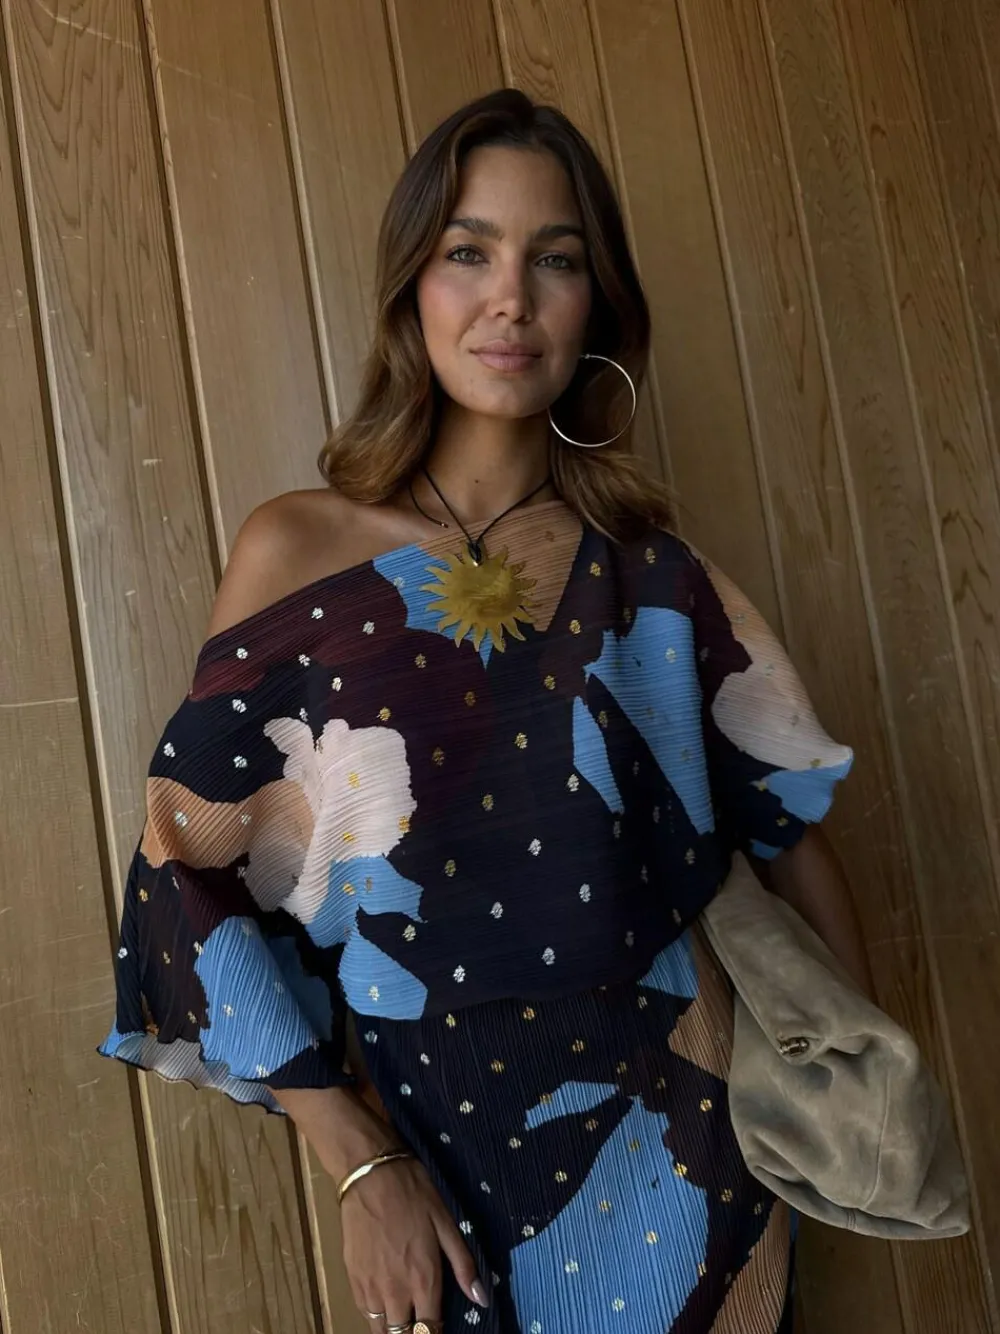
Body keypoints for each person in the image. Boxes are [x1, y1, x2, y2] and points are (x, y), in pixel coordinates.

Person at [99, 87, 870, 1334]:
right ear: (412, 284)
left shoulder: (651, 569)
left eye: (553, 260)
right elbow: (183, 871)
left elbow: (789, 830)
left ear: (595, 306)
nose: (510, 297)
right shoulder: (296, 548)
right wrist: (358, 1162)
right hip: (438, 1144)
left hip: (699, 1131)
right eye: (469, 251)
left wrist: (851, 1082)